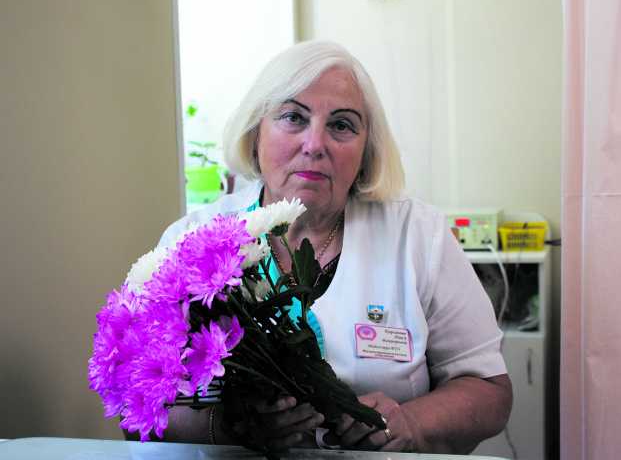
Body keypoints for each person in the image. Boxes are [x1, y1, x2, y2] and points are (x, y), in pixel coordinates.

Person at [142, 40, 512, 454]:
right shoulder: (192, 241)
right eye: (293, 117)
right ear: (255, 133)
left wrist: (411, 421)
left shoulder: (418, 235)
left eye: (342, 125)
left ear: (366, 149)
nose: (315, 144)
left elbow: (490, 391)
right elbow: (136, 408)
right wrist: (228, 427)